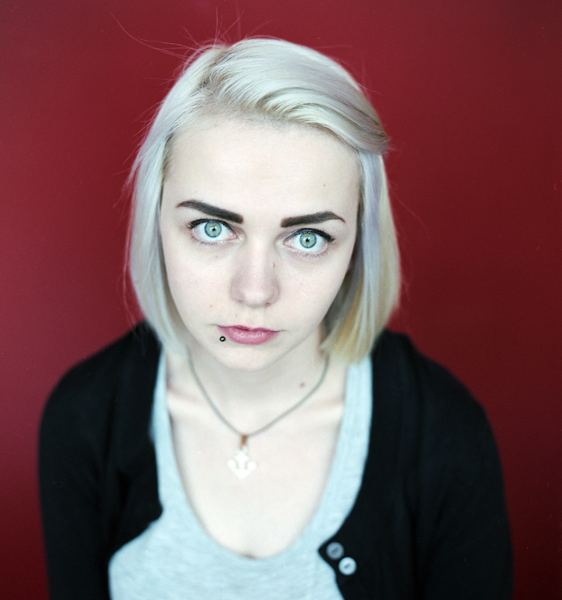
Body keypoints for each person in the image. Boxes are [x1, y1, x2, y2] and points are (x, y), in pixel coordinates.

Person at [39, 38, 512, 599]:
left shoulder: (445, 435)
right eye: (212, 228)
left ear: (357, 247)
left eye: (307, 237)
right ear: (156, 220)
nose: (255, 290)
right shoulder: (86, 419)